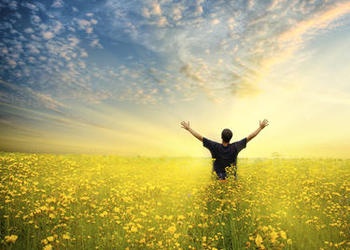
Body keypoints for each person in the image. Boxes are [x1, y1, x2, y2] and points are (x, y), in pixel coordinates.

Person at [180, 119, 269, 180]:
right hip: (231, 180)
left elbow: (200, 137)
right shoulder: (236, 147)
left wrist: (189, 129)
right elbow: (250, 137)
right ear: (231, 138)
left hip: (216, 179)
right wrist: (260, 128)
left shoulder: (214, 146)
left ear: (221, 137)